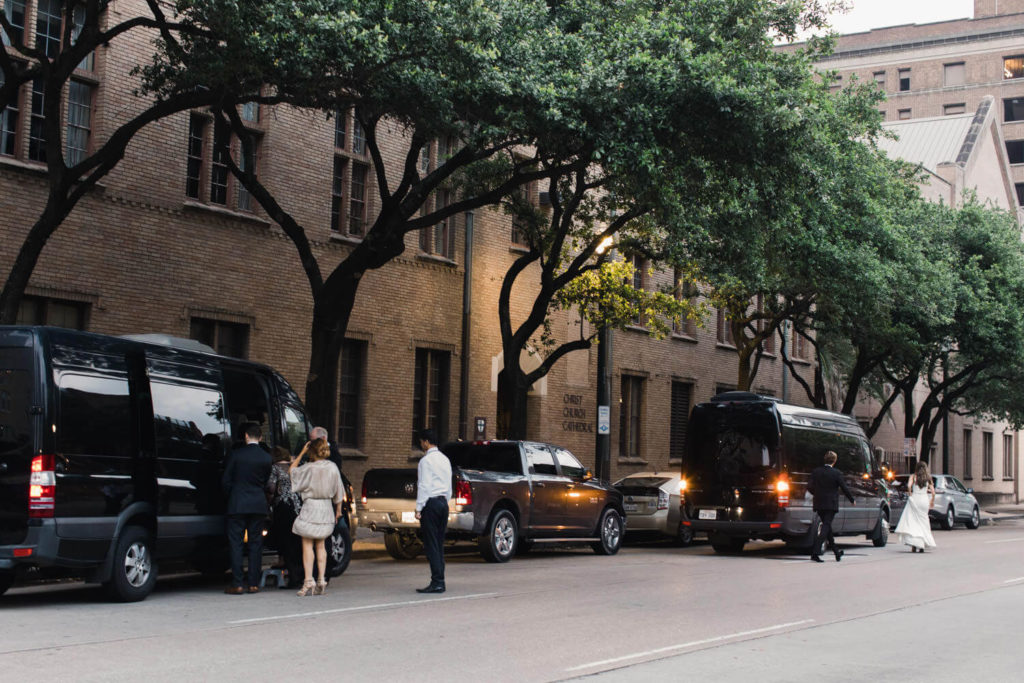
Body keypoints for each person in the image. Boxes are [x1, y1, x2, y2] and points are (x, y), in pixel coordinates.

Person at [222, 422, 272, 594]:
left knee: (236, 544)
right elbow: (266, 482)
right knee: (255, 544)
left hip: (237, 503)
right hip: (258, 504)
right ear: (260, 437)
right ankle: (253, 583)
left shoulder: (236, 455)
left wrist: (231, 495)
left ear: (245, 436)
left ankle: (237, 583)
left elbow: (226, 480)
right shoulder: (266, 457)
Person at [289, 438, 343, 596]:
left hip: (311, 507)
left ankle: (308, 581)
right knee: (321, 545)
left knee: (307, 545)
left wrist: (301, 453)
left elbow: (291, 471)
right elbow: (339, 489)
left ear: (311, 451)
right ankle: (321, 579)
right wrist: (338, 509)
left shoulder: (308, 468)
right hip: (326, 507)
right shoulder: (332, 467)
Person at [414, 429, 452, 594]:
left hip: (431, 503)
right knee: (439, 542)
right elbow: (449, 485)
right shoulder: (445, 460)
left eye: (422, 442)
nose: (421, 445)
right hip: (443, 502)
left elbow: (424, 485)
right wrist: (445, 500)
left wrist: (418, 507)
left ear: (426, 442)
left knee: (431, 545)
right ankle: (440, 579)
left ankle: (437, 581)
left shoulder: (425, 461)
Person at [807, 450, 855, 563]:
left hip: (819, 503)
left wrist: (817, 493)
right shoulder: (836, 473)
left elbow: (809, 486)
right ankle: (815, 552)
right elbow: (844, 487)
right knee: (826, 527)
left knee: (827, 527)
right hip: (831, 504)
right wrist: (851, 499)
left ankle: (836, 552)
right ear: (834, 461)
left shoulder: (816, 472)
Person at [266, 446, 303, 588]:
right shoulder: (294, 467)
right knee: (297, 541)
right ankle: (301, 575)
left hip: (283, 507)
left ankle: (293, 577)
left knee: (286, 542)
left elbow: (271, 488)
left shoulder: (275, 468)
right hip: (297, 507)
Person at [893, 461, 937, 553]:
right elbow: (933, 492)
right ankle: (922, 545)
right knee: (923, 521)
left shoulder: (913, 476)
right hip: (924, 500)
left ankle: (914, 544)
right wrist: (932, 501)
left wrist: (910, 493)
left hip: (915, 498)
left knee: (913, 521)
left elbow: (909, 486)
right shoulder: (928, 478)